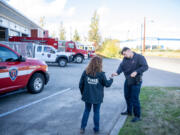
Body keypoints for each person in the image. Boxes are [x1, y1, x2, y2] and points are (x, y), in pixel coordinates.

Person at [112, 47, 148, 122]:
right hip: (128, 80)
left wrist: (137, 72)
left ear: (129, 51)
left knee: (134, 98)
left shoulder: (139, 57)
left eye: (125, 54)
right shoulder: (125, 59)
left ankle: (137, 116)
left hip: (136, 81)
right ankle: (129, 111)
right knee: (127, 96)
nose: (124, 56)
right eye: (123, 55)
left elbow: (145, 66)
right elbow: (121, 66)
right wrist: (117, 72)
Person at [79, 56, 113, 134]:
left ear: (91, 63)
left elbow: (81, 85)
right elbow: (107, 84)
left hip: (87, 96)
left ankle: (82, 128)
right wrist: (111, 79)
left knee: (86, 111)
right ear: (100, 64)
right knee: (96, 112)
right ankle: (96, 129)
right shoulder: (101, 74)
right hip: (97, 97)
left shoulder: (86, 72)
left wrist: (83, 94)